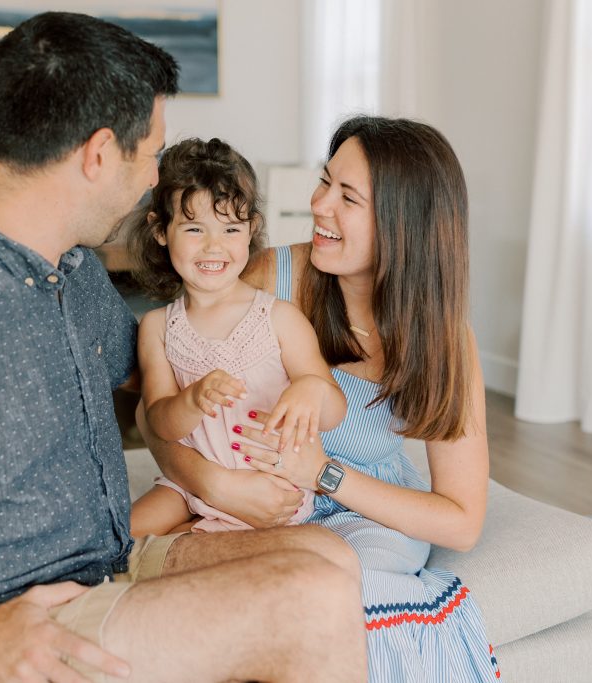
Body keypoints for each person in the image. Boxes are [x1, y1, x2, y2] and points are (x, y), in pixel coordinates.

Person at [0, 13, 366, 683]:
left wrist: (216, 477)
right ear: (100, 153)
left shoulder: (78, 282)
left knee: (330, 559)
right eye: (152, 154)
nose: (152, 181)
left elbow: (154, 407)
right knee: (312, 603)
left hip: (99, 575)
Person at [145, 116, 502, 681]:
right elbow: (156, 411)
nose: (318, 203)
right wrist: (214, 485)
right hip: (243, 492)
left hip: (366, 509)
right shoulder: (266, 277)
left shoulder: (444, 341)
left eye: (347, 196)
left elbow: (460, 522)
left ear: (401, 225)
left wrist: (323, 474)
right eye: (324, 180)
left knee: (315, 598)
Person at [125, 137, 346, 535]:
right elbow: (159, 422)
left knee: (224, 564)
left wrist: (312, 390)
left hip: (270, 488)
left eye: (230, 228)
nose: (214, 246)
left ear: (251, 229)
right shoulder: (157, 327)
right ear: (160, 230)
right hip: (189, 484)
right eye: (194, 228)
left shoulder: (279, 318)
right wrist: (191, 400)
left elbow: (334, 411)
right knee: (123, 535)